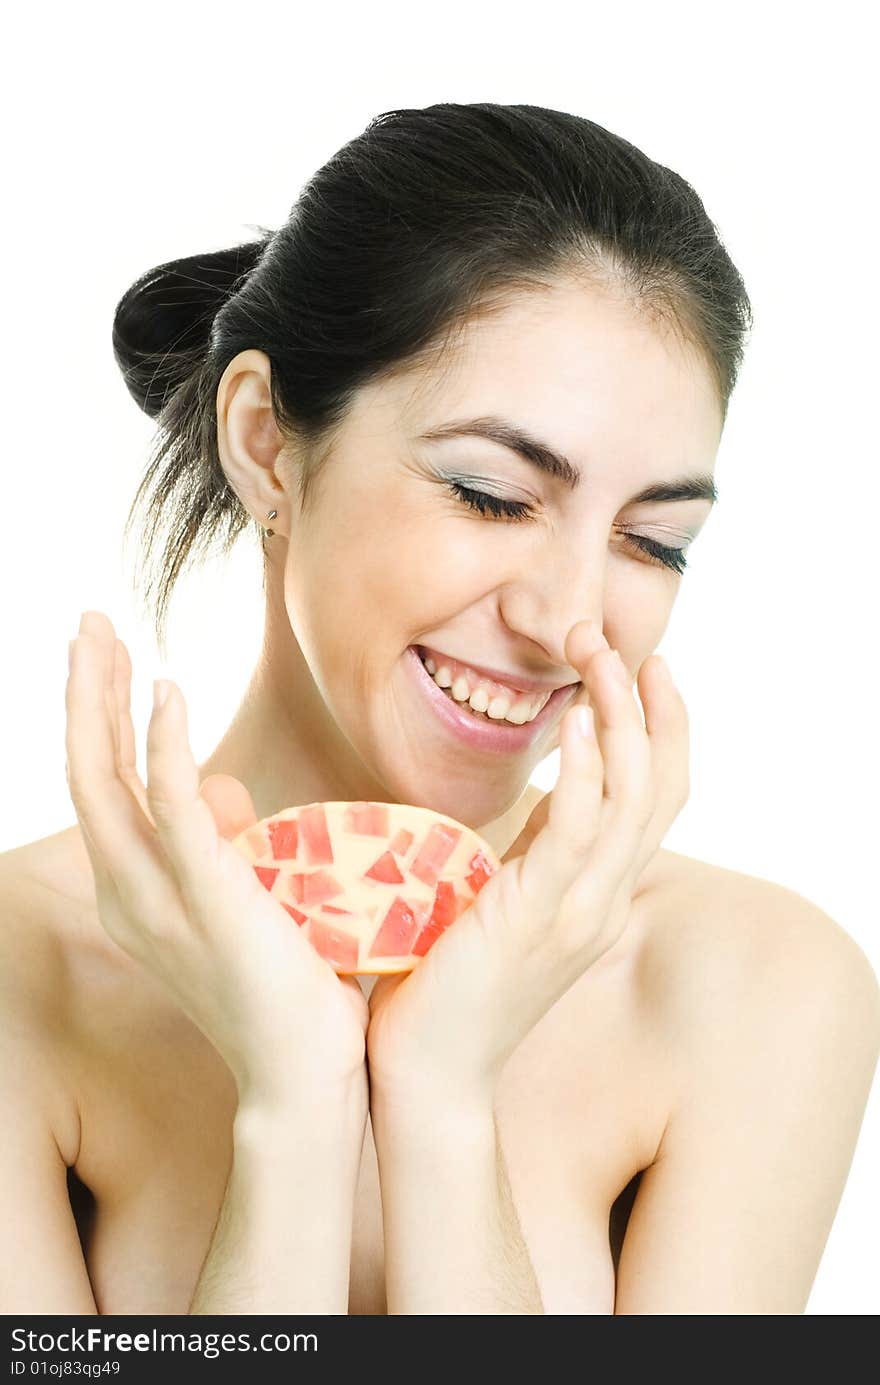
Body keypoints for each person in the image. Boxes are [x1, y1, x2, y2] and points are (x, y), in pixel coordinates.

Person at [1, 101, 877, 1317]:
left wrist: (442, 1100)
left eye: (653, 541)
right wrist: (296, 1104)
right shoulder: (18, 974)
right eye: (490, 494)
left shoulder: (751, 983)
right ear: (265, 441)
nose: (569, 618)